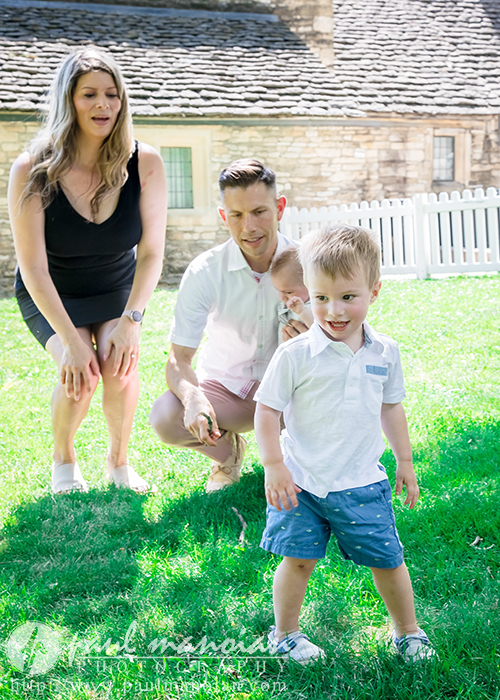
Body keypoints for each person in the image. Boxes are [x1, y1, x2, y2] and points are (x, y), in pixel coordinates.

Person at [254, 224, 435, 665]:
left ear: (374, 291)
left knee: (388, 560)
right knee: (297, 561)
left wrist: (404, 460)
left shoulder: (385, 352)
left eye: (347, 297)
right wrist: (274, 465)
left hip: (361, 481)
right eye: (320, 298)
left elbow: (391, 409)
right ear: (307, 294)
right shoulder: (295, 355)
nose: (333, 310)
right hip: (301, 481)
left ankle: (408, 632)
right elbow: (266, 411)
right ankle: (285, 634)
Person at [8, 47, 168, 494]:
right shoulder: (31, 170)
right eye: (89, 95)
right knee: (80, 371)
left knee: (118, 364)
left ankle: (119, 463)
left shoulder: (145, 162)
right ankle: (64, 459)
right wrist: (70, 344)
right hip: (51, 290)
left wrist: (132, 321)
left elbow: (153, 252)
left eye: (112, 95)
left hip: (115, 285)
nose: (103, 105)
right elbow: (33, 266)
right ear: (68, 101)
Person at [149, 158, 293, 492]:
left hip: (290, 396)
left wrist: (313, 340)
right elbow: (178, 359)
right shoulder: (205, 272)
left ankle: (299, 453)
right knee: (166, 415)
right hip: (228, 394)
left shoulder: (309, 263)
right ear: (222, 216)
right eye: (236, 215)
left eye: (259, 212)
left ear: (280, 208)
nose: (249, 228)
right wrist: (193, 397)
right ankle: (228, 453)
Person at [271, 246, 313, 344]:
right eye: (278, 290)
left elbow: (318, 328)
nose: (282, 297)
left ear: (310, 284)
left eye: (289, 292)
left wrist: (303, 312)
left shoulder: (316, 305)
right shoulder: (285, 306)